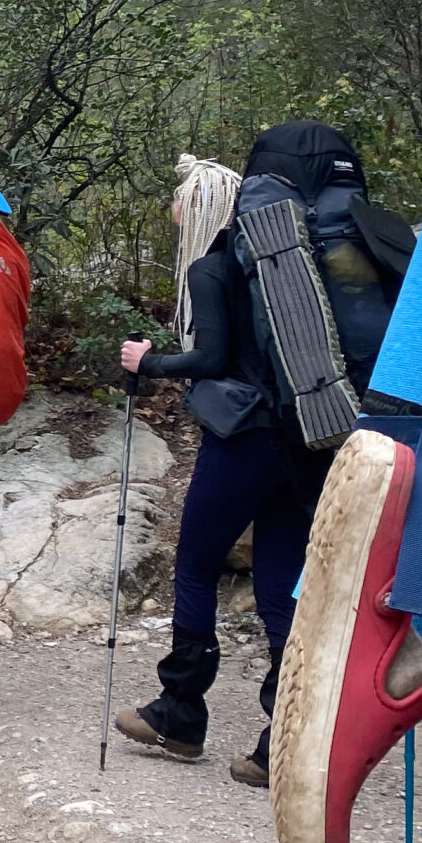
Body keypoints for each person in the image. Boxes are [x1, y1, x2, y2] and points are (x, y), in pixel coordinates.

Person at [114, 148, 329, 783]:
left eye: (181, 200)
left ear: (203, 204)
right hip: (303, 441)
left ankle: (179, 713)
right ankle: (282, 741)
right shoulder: (289, 268)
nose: (175, 211)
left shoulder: (213, 269)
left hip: (242, 441)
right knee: (277, 585)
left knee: (196, 564)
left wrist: (145, 363)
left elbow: (210, 359)